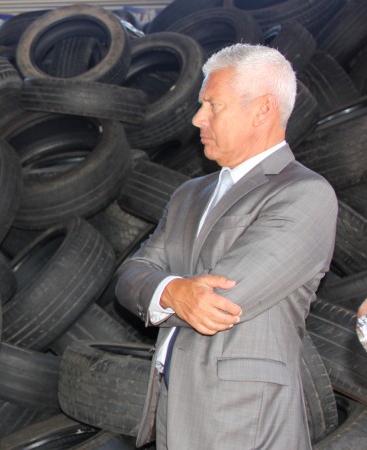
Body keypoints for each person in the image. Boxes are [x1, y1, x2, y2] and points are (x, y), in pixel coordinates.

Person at [115, 43, 338, 449]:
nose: (198, 118)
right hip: (170, 412)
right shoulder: (189, 194)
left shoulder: (305, 194)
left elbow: (221, 301)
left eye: (213, 105)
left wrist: (164, 289)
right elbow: (130, 274)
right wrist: (172, 291)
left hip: (244, 421)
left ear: (263, 110)